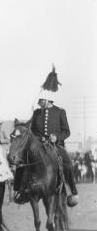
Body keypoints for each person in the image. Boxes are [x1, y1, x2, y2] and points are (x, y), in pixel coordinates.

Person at [28, 78, 78, 206]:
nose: (39, 103)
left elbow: (67, 132)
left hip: (56, 146)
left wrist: (57, 137)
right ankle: (21, 190)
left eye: (41, 100)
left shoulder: (60, 112)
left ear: (48, 99)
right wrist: (39, 139)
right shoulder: (36, 113)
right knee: (24, 161)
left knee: (68, 164)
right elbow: (32, 132)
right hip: (39, 146)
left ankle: (72, 192)